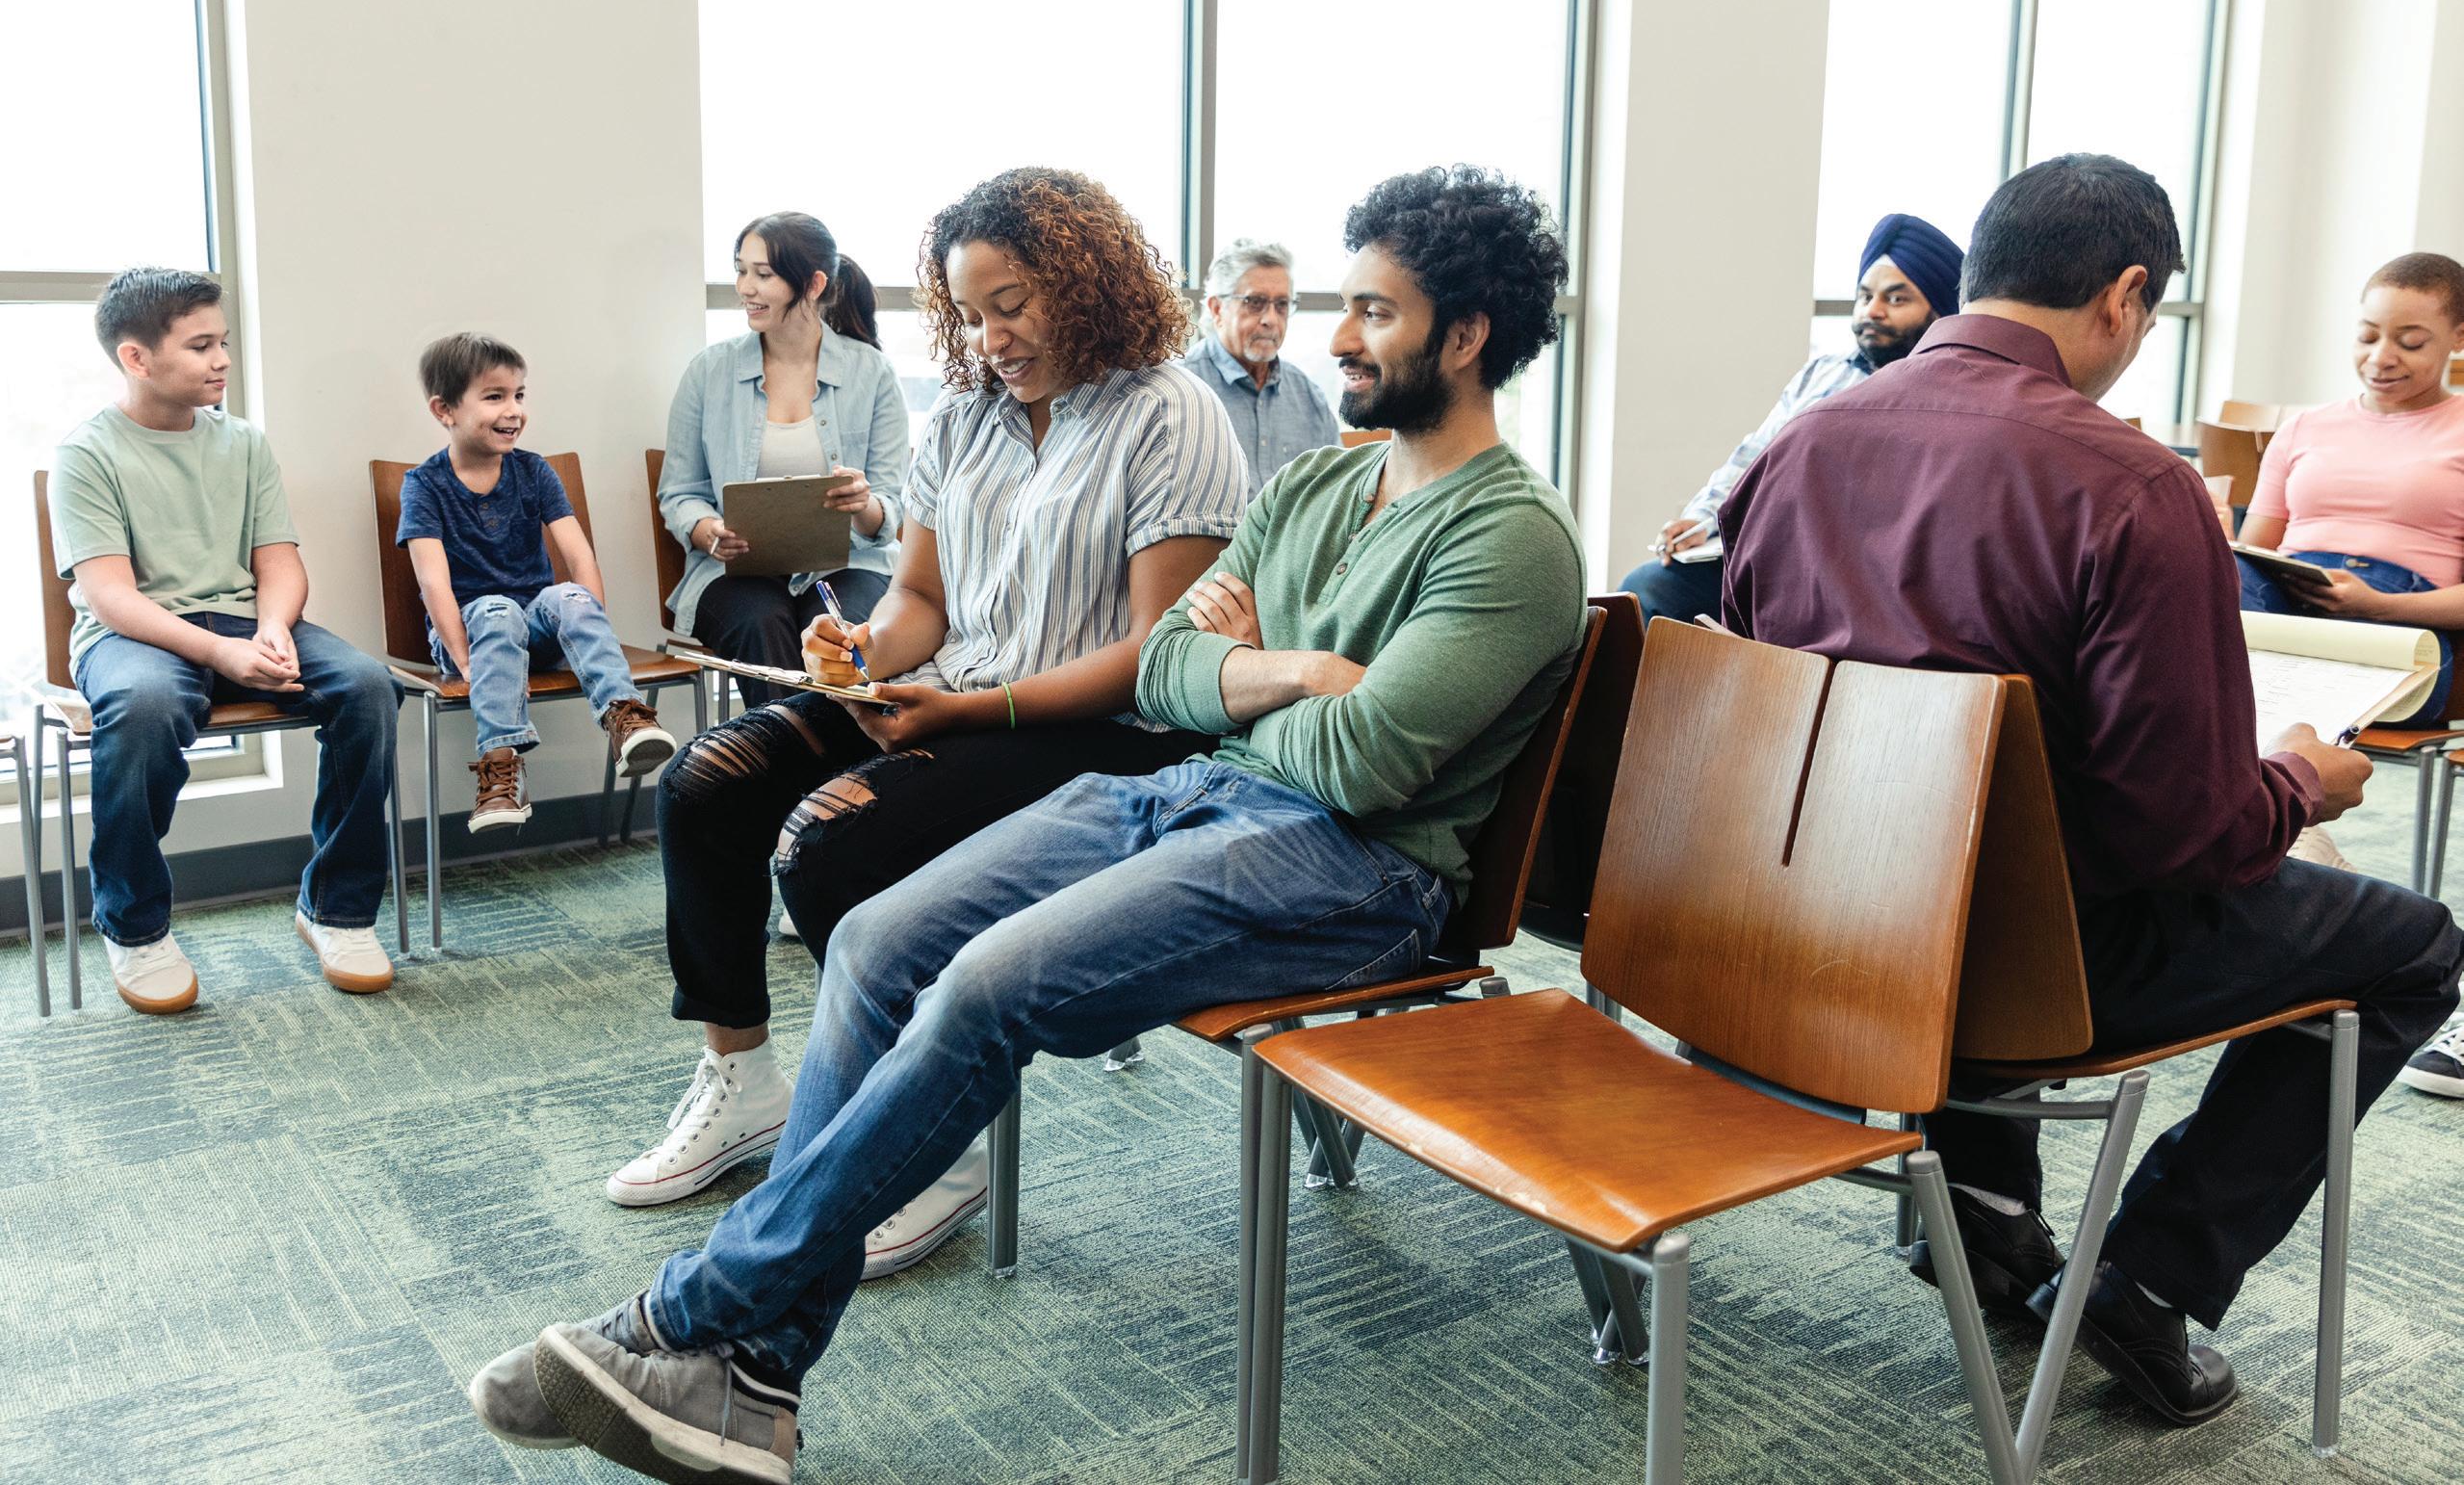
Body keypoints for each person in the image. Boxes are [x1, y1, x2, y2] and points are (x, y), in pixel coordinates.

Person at [466, 164, 1588, 1482]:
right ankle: (754, 1381)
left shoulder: (1512, 539)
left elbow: (1361, 763)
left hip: (1359, 871)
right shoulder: (1310, 494)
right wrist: (1288, 669)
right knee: (879, 939)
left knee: (984, 984)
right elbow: (1167, 669)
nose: (1336, 336)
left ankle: (693, 1320)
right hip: (1195, 793)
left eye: (1375, 313)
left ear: (1464, 336)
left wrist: (1237, 680)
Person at [1720, 153, 2464, 1427]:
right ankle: (2147, 1277)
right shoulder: (2131, 484)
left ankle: (1986, 1208)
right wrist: (2303, 779)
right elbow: (2187, 836)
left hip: (1817, 935)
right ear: (2124, 296)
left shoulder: (1799, 444)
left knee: (2013, 830)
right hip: (2029, 973)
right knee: (2411, 946)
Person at [609, 169, 1246, 1285]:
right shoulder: (962, 418)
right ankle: (745, 1082)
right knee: (707, 783)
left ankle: (934, 1135)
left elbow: (1158, 653)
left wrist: (966, 708)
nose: (992, 339)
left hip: (1109, 730)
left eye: (1014, 306)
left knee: (830, 841)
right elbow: (920, 602)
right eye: (972, 313)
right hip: (962, 690)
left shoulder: (1168, 412)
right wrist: (861, 654)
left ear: (1087, 284)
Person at [47, 268, 402, 1013]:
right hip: (132, 635)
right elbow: (112, 596)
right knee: (145, 706)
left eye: (224, 342)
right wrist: (218, 652)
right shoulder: (87, 454)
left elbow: (280, 562)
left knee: (368, 687)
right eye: (201, 345)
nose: (223, 360)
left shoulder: (242, 442)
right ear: (137, 357)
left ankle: (335, 909)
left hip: (243, 620)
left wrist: (272, 627)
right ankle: (135, 924)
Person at [2230, 251, 2464, 1099]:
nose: (2381, 356)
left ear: (2456, 339)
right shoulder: (2306, 426)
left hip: (2404, 632)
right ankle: (2300, 877)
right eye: (2366, 335)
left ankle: (2305, 877)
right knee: (2220, 585)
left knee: (2258, 706)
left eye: (2409, 340)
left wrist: (2380, 604)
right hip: (2289, 604)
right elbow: (2251, 548)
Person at [1618, 212, 1960, 623]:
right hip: (1771, 556)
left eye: (1896, 299)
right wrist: (1701, 519)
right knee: (1646, 590)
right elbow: (1754, 456)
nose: (1873, 311)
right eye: (1865, 296)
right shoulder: (1824, 373)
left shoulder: (1945, 397)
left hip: (1854, 576)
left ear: (1940, 312)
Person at [398, 333, 677, 835]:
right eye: (494, 396)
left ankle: (624, 717)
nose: (513, 410)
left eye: (519, 395)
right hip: (469, 635)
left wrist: (589, 624)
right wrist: (467, 662)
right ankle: (501, 768)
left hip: (536, 631)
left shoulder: (533, 470)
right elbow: (433, 583)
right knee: (496, 609)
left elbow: (579, 556)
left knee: (568, 595)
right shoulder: (424, 485)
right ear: (445, 410)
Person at [660, 215, 909, 709]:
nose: (745, 288)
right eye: (741, 270)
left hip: (850, 564)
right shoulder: (708, 372)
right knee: (761, 622)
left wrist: (863, 504)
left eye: (764, 274)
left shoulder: (874, 373)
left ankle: (789, 754)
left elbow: (890, 509)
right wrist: (708, 531)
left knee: (837, 635)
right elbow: (680, 492)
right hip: (735, 575)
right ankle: (802, 756)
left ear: (814, 284)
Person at [1186, 236, 1338, 493]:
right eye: (1255, 303)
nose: (1271, 319)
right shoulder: (1183, 391)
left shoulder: (1309, 396)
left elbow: (1337, 493)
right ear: (1217, 309)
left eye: (1281, 305)